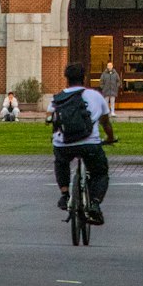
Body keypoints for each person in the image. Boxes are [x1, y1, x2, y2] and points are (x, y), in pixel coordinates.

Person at [51, 62, 115, 225]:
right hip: (90, 143)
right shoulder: (95, 96)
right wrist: (110, 138)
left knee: (61, 162)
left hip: (63, 143)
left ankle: (65, 195)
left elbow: (50, 119)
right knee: (100, 173)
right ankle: (94, 203)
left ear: (66, 79)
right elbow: (105, 122)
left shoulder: (57, 98)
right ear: (84, 77)